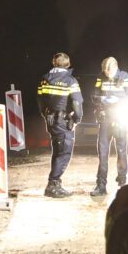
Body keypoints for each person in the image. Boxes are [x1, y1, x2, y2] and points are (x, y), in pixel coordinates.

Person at [37, 52, 83, 198]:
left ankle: (54, 184)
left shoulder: (45, 79)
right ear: (68, 64)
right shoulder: (70, 81)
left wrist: (45, 114)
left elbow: (40, 100)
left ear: (54, 62)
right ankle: (53, 184)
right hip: (63, 121)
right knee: (64, 153)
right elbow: (77, 102)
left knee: (57, 151)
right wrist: (76, 119)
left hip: (51, 120)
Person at [90, 56, 128, 196]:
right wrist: (101, 99)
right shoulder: (101, 77)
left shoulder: (125, 77)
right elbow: (94, 95)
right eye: (105, 72)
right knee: (103, 152)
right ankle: (101, 185)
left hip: (120, 119)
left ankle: (122, 181)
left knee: (121, 150)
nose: (107, 75)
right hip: (105, 119)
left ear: (115, 68)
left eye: (109, 72)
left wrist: (118, 100)